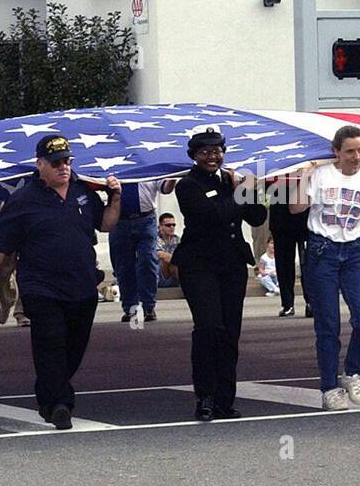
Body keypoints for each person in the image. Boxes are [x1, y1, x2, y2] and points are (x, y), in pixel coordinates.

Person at [0, 134, 121, 429]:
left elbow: (106, 223)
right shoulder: (22, 200)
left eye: (67, 162)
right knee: (51, 342)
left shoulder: (83, 192)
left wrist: (116, 198)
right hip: (41, 287)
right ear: (40, 164)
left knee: (74, 346)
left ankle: (48, 393)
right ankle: (59, 405)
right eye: (56, 163)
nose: (63, 168)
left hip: (82, 285)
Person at [290, 124, 360, 410]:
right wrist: (303, 178)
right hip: (322, 250)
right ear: (336, 151)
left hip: (354, 250)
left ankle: (352, 372)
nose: (357, 156)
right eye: (350, 151)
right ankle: (329, 387)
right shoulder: (322, 173)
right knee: (328, 324)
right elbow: (296, 209)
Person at [171, 128, 267, 420]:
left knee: (229, 333)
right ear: (194, 156)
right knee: (209, 328)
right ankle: (206, 397)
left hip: (231, 264)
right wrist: (238, 191)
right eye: (205, 152)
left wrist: (246, 190)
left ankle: (225, 399)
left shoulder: (231, 181)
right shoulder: (187, 185)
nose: (212, 157)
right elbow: (215, 215)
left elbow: (258, 216)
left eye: (217, 151)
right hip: (199, 265)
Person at [109, 177, 176, 323]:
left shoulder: (149, 162)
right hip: (119, 220)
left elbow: (165, 188)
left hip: (146, 219)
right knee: (124, 266)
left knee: (147, 260)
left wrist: (173, 178)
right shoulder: (115, 162)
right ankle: (130, 308)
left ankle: (148, 306)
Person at [267, 198, 311, 317]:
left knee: (307, 262)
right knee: (284, 264)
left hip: (303, 214)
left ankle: (310, 301)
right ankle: (287, 303)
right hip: (281, 216)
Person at [156, 212, 180, 288]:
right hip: (159, 274)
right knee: (166, 260)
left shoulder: (177, 239)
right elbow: (160, 255)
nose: (172, 227)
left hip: (173, 272)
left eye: (173, 225)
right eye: (168, 225)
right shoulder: (154, 239)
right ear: (160, 227)